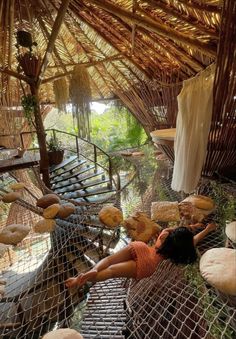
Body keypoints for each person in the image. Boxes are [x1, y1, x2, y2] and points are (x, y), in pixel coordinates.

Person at [65, 223, 217, 288]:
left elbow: (175, 229)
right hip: (148, 265)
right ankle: (81, 281)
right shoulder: (178, 250)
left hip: (141, 247)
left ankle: (88, 273)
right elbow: (194, 240)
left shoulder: (164, 235)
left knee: (108, 259)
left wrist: (191, 226)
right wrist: (207, 230)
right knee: (111, 272)